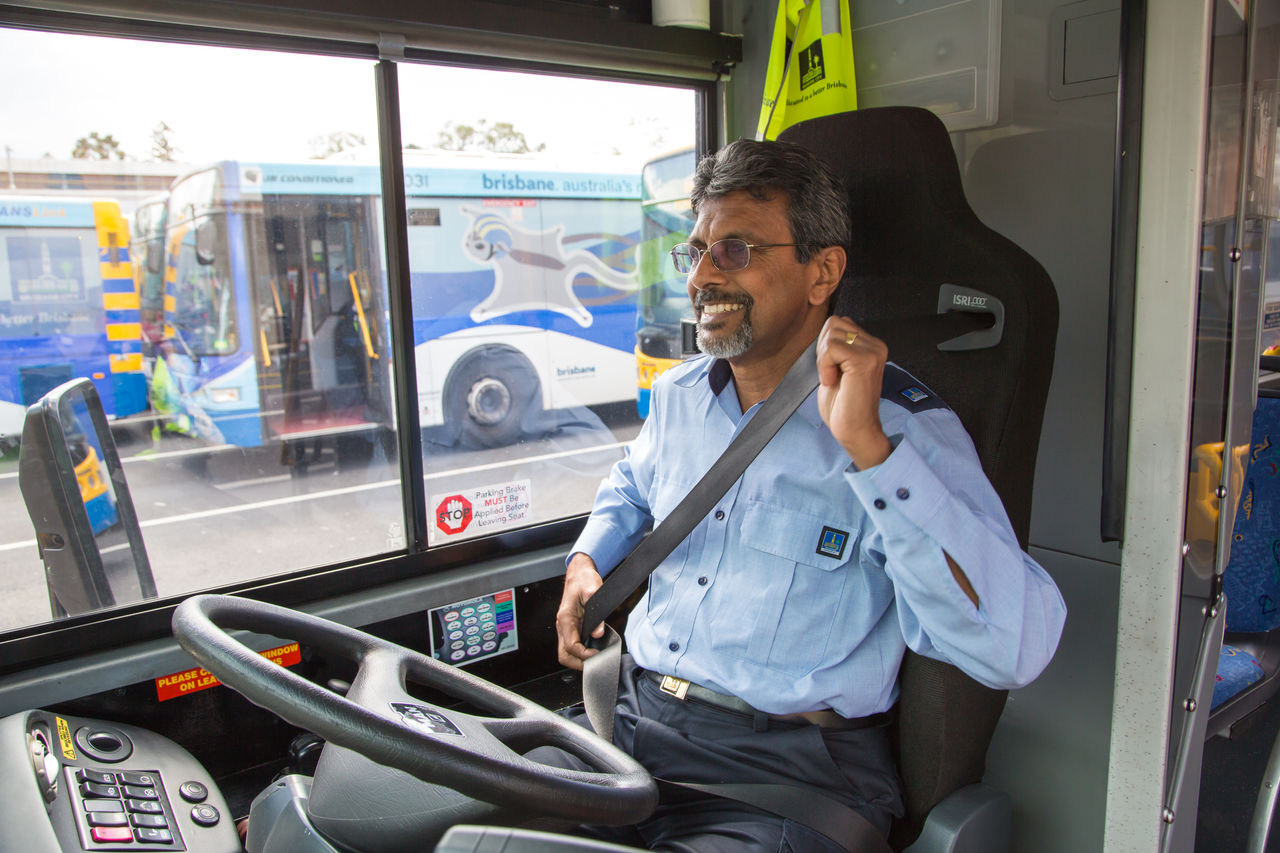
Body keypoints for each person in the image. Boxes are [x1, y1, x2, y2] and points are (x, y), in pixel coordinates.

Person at [553, 138, 1067, 852]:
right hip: (630, 722)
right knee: (457, 814)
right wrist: (588, 561)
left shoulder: (903, 432)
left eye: (735, 250)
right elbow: (633, 485)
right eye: (695, 250)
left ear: (822, 271)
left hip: (786, 774)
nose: (701, 275)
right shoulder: (676, 396)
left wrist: (872, 454)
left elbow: (1015, 647)